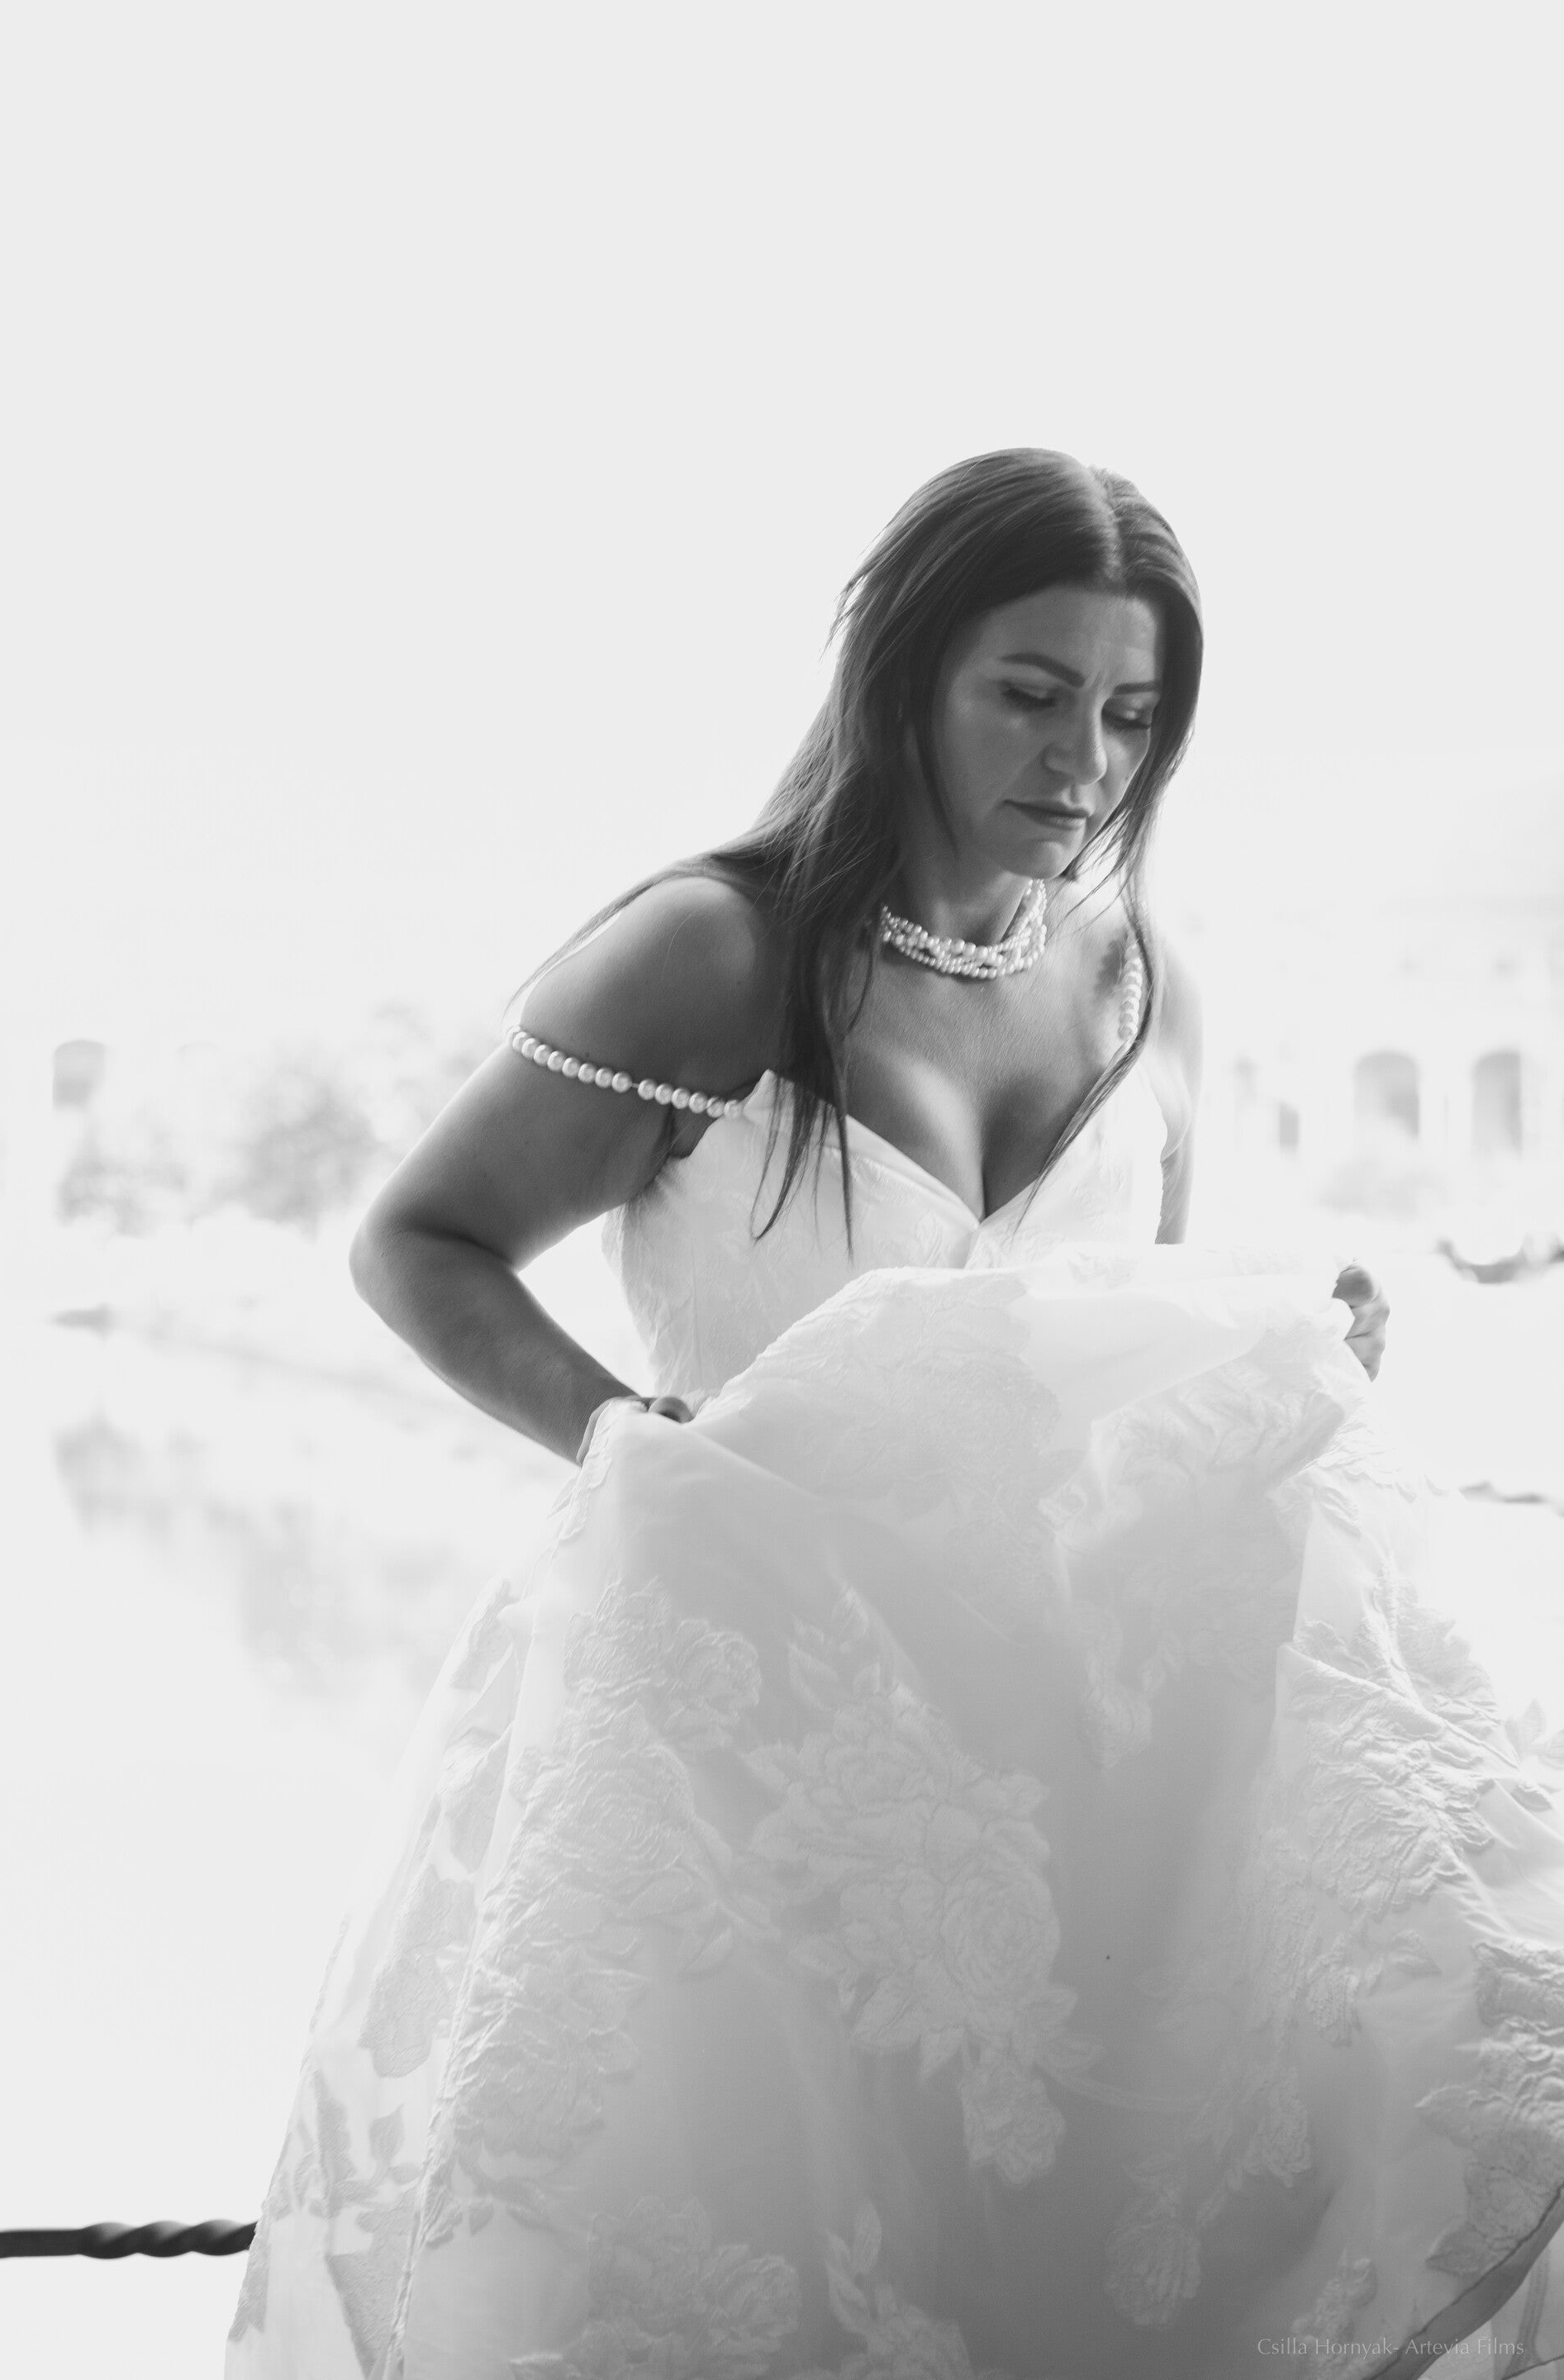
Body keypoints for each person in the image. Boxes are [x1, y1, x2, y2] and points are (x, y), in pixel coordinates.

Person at [226, 451, 1564, 2379]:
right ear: (906, 675)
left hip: (1094, 1776)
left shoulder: (1144, 987)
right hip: (758, 1752)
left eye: (1133, 714)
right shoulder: (712, 956)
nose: (1085, 761)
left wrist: (1284, 1354)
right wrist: (632, 1444)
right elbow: (415, 1243)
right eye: (1032, 693)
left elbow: (1115, 1360)